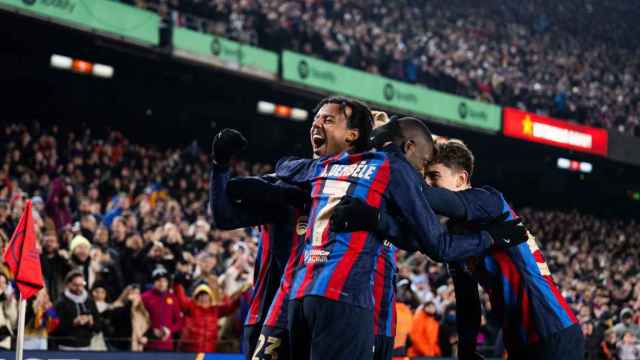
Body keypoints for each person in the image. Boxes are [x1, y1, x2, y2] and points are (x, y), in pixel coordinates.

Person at [273, 98, 523, 359]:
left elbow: (284, 166)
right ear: (409, 147)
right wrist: (491, 238)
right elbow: (437, 245)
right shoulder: (393, 169)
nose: (421, 173)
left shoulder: (331, 164)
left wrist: (379, 219)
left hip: (301, 297)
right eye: (423, 163)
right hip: (345, 297)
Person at [421, 139, 584, 359]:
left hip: (552, 330)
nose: (427, 183)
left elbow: (436, 200)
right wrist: (466, 349)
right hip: (518, 341)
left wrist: (400, 178)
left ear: (461, 179)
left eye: (434, 176)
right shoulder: (455, 233)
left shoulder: (488, 200)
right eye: (425, 177)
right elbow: (467, 300)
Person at [209, 127, 307, 360]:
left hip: (319, 318)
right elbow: (224, 216)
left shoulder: (346, 194)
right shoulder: (282, 188)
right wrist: (220, 164)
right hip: (268, 316)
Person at [173, 280, 246, 352]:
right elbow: (181, 298)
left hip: (209, 352)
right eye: (201, 295)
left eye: (206, 295)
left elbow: (230, 306)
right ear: (196, 297)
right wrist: (177, 283)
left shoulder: (215, 310)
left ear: (210, 297)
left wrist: (241, 296)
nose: (203, 298)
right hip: (189, 352)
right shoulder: (190, 307)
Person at [51, 270, 101, 351]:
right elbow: (53, 328)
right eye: (75, 285)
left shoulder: (89, 301)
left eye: (81, 285)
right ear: (68, 284)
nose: (79, 288)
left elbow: (98, 326)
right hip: (65, 347)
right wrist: (73, 323)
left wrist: (91, 322)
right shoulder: (59, 302)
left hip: (86, 346)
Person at [141, 266, 183, 351]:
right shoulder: (144, 297)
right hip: (148, 344)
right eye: (158, 281)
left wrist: (169, 330)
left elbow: (179, 322)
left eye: (164, 281)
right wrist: (148, 333)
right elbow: (140, 320)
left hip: (167, 345)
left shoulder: (173, 298)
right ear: (153, 282)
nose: (162, 283)